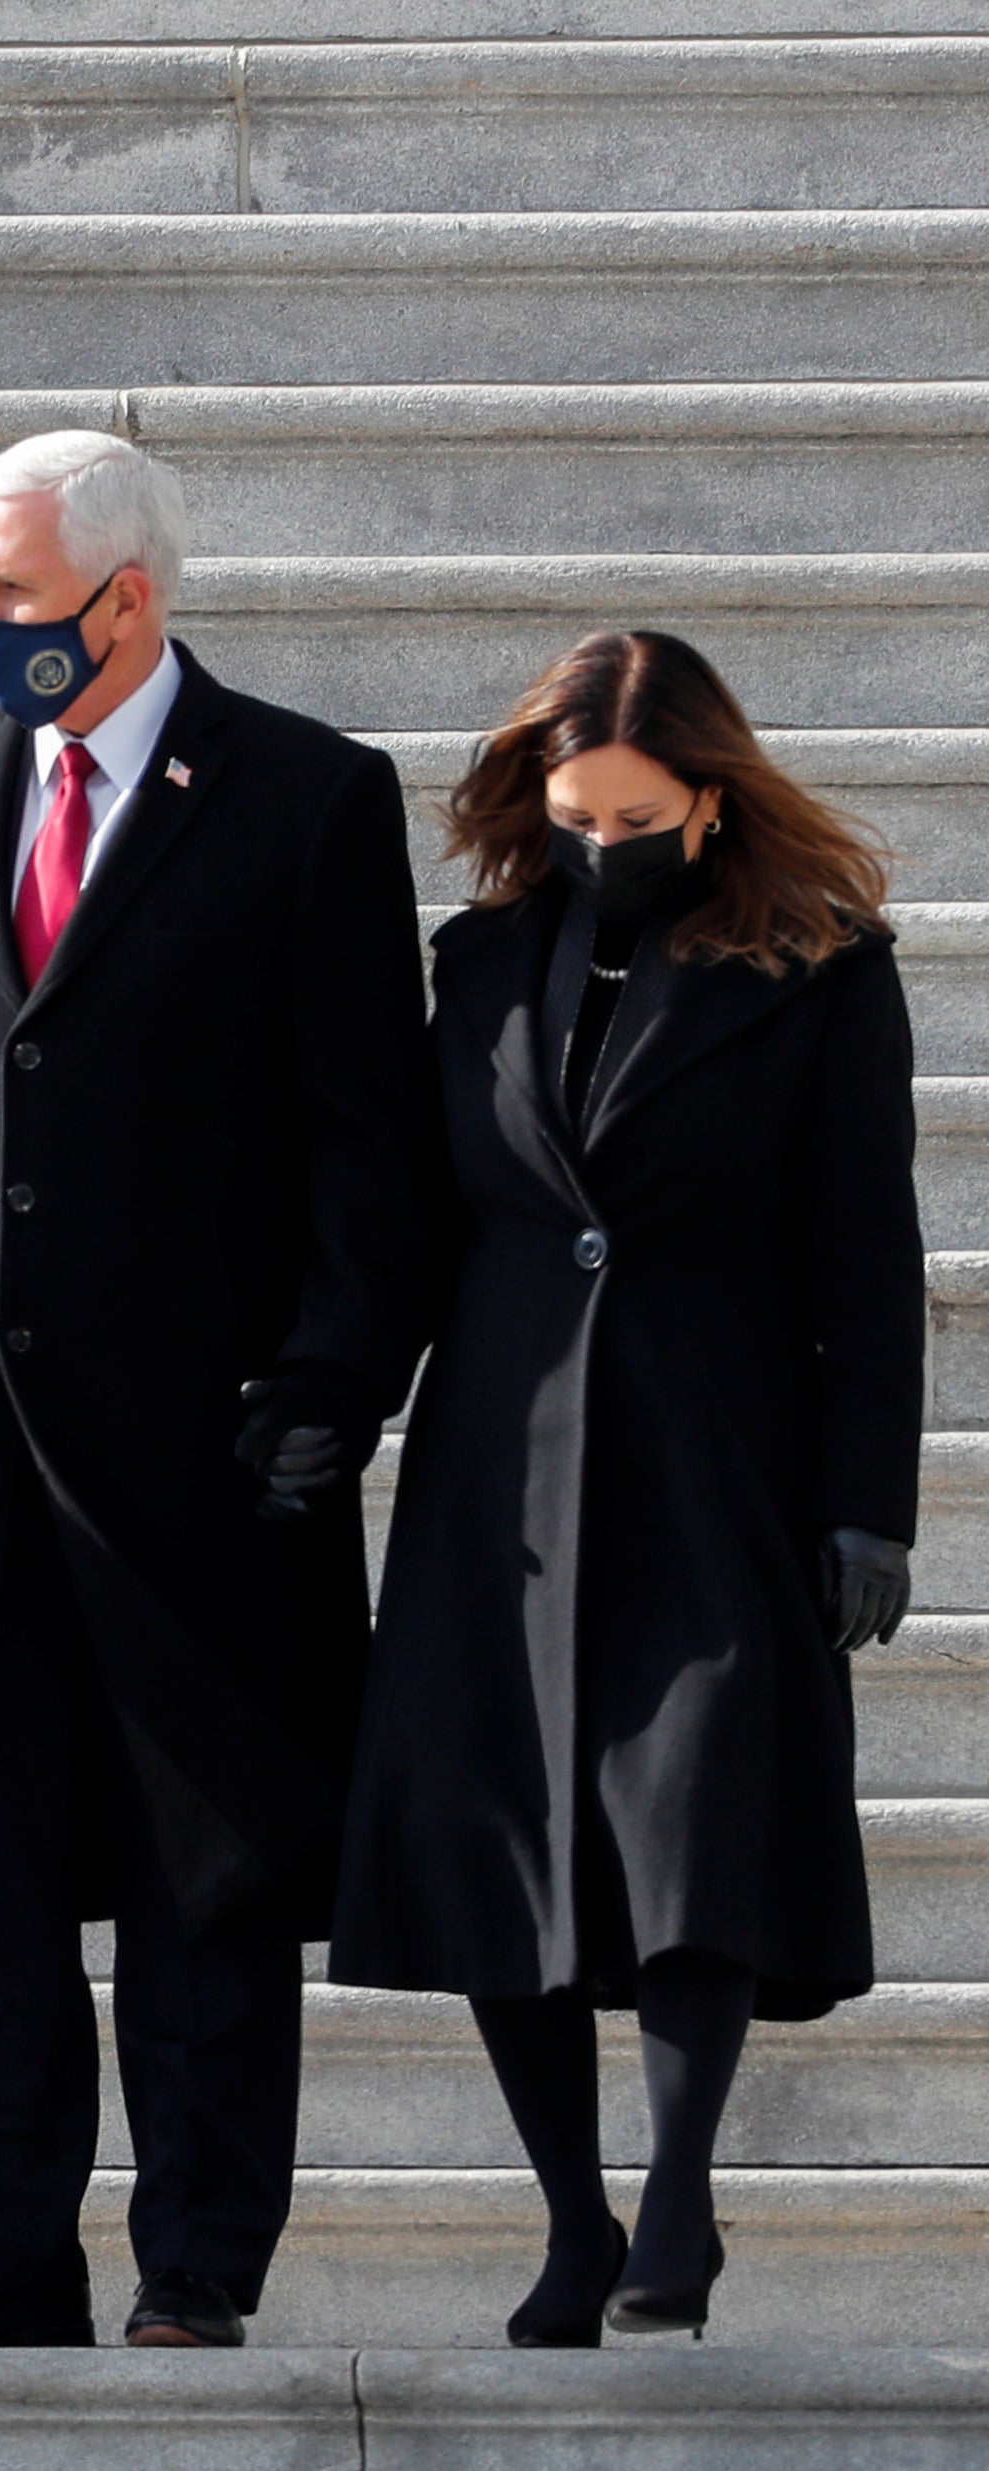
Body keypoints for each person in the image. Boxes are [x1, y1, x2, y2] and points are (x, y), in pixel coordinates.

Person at [0, 431, 443, 2351]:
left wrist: (332, 1376)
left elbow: (363, 1145)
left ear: (124, 598)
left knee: (200, 1889)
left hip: (208, 1465)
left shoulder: (309, 801)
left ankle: (195, 2277)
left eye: (8, 595)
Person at [333, 631, 916, 2346]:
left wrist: (865, 1497)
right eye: (573, 812)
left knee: (692, 1814)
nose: (601, 842)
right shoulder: (480, 960)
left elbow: (863, 1258)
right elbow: (417, 1233)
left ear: (709, 797)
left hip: (715, 1447)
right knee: (501, 1837)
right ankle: (572, 2223)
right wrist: (327, 1399)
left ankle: (674, 2192)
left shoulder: (818, 966)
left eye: (636, 813)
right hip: (496, 1466)